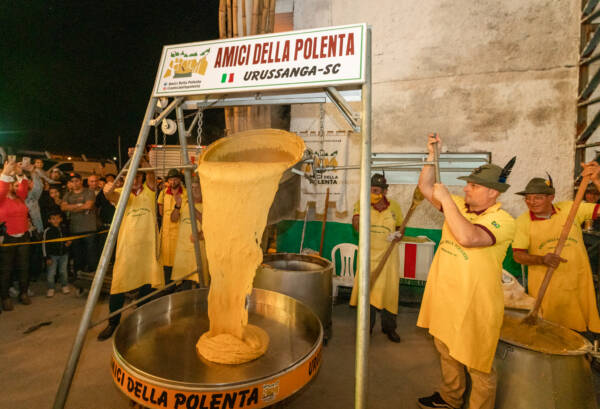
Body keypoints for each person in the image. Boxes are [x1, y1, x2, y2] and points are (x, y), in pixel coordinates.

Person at [416, 134, 516, 409]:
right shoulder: (459, 206)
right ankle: (451, 397)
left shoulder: (503, 220)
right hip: (446, 297)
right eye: (468, 184)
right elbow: (425, 186)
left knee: (478, 365)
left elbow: (468, 237)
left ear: (493, 192)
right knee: (446, 351)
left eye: (473, 186)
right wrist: (432, 156)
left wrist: (447, 201)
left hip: (476, 306)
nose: (466, 189)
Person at [512, 169, 600, 334]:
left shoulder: (570, 208)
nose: (531, 202)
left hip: (578, 282)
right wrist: (542, 259)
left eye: (538, 197)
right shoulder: (523, 222)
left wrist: (596, 180)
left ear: (551, 197)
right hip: (547, 289)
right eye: (528, 198)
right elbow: (518, 255)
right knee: (548, 333)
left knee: (580, 333)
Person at [97, 153, 163, 340]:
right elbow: (109, 195)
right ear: (125, 178)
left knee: (147, 282)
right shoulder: (121, 193)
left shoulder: (150, 190)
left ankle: (141, 318)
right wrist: (107, 189)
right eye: (130, 177)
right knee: (118, 284)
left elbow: (152, 174)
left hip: (148, 248)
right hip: (127, 248)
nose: (134, 180)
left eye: (138, 176)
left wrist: (141, 158)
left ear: (141, 177)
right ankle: (113, 322)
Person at [349, 173, 404, 343]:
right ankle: (366, 329)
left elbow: (401, 228)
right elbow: (356, 224)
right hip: (368, 257)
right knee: (368, 293)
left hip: (388, 258)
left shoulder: (394, 206)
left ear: (384, 191)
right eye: (371, 190)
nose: (373, 193)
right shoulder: (362, 203)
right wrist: (361, 216)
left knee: (389, 293)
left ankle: (389, 328)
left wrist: (398, 235)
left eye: (376, 191)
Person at [0, 160, 33, 311]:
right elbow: (2, 189)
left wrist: (21, 173)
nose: (15, 186)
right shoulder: (1, 199)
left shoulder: (20, 197)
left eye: (15, 184)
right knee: (6, 269)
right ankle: (5, 297)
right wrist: (6, 173)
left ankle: (23, 293)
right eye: (12, 184)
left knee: (24, 267)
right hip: (8, 238)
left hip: (24, 237)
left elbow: (24, 187)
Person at [171, 176, 209, 287]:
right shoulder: (183, 202)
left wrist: (192, 207)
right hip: (183, 251)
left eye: (197, 187)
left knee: (200, 282)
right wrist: (177, 206)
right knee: (184, 283)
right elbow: (173, 219)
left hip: (199, 251)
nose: (195, 190)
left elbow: (207, 223)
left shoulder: (207, 204)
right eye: (192, 187)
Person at [61, 173, 97, 274]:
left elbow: (88, 206)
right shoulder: (68, 195)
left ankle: (93, 274)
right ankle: (78, 273)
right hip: (75, 228)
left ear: (81, 181)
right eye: (72, 181)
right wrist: (80, 205)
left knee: (91, 254)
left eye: (77, 181)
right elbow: (63, 207)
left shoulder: (89, 192)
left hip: (89, 228)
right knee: (77, 254)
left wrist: (71, 207)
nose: (75, 183)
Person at [157, 169, 185, 285]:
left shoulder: (185, 193)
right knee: (166, 262)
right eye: (171, 179)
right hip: (166, 234)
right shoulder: (163, 193)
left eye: (175, 179)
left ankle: (179, 286)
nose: (173, 181)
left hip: (180, 233)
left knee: (179, 261)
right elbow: (161, 212)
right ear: (168, 181)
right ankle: (168, 287)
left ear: (179, 180)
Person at [43, 212, 71, 297]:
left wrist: (68, 243)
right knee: (51, 273)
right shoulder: (47, 231)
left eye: (57, 218)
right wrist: (47, 257)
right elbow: (44, 245)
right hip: (52, 256)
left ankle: (64, 285)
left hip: (64, 254)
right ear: (49, 220)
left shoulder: (64, 228)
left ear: (61, 219)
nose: (56, 220)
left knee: (63, 271)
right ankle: (51, 288)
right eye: (53, 219)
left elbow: (68, 238)